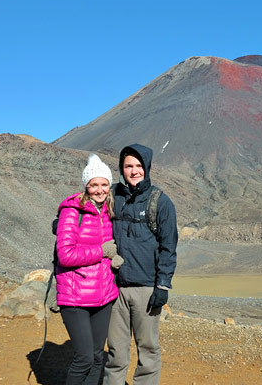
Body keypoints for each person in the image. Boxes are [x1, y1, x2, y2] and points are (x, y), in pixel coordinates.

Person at [103, 144, 178, 385]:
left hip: (146, 288)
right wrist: (64, 221)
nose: (134, 171)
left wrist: (163, 285)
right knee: (116, 351)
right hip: (114, 288)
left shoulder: (160, 202)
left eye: (138, 166)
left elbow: (168, 247)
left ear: (146, 168)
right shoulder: (112, 196)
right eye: (128, 166)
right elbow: (87, 207)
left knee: (147, 349)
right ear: (121, 169)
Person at [55, 153, 123, 385]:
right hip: (75, 298)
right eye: (94, 185)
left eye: (104, 184)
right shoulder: (72, 211)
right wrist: (102, 252)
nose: (100, 190)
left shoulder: (109, 212)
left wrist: (113, 258)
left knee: (96, 357)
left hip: (103, 296)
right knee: (84, 358)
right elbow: (66, 255)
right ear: (86, 186)